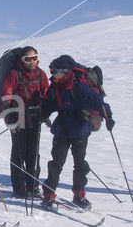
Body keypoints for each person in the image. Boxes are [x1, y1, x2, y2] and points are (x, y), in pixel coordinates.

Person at [40, 55, 114, 210]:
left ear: (64, 71)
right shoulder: (55, 85)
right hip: (62, 128)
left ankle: (79, 195)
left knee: (79, 163)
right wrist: (41, 115)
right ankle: (48, 195)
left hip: (80, 127)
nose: (52, 74)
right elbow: (50, 104)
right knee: (56, 163)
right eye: (51, 71)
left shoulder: (79, 85)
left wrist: (108, 115)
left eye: (55, 71)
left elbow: (97, 101)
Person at [0, 46, 49, 197]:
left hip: (35, 119)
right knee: (19, 154)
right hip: (18, 119)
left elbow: (46, 94)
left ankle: (33, 186)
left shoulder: (41, 74)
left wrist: (46, 114)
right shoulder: (14, 74)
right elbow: (6, 97)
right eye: (28, 59)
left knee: (34, 154)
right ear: (22, 60)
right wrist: (9, 120)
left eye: (34, 58)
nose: (32, 61)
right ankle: (19, 187)